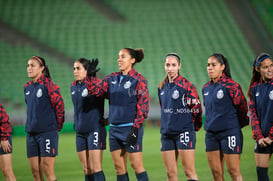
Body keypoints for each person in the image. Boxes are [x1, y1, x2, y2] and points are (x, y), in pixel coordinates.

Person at [85, 48, 149, 181]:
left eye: (123, 57)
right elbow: (96, 92)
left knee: (136, 166)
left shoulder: (138, 80)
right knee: (119, 169)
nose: (119, 59)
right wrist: (90, 77)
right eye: (118, 56)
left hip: (131, 128)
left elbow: (143, 107)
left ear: (132, 60)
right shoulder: (111, 78)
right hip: (114, 130)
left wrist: (135, 129)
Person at [202, 53, 249, 181]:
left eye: (213, 65)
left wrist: (233, 126)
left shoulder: (232, 86)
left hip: (230, 133)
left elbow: (243, 109)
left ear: (222, 67)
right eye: (208, 65)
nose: (210, 68)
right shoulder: (205, 88)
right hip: (211, 135)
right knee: (216, 174)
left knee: (233, 171)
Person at [158, 53, 202, 181]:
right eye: (167, 65)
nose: (170, 68)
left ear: (179, 66)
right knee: (170, 174)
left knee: (189, 172)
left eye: (173, 65)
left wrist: (192, 127)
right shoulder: (161, 87)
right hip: (166, 134)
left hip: (184, 132)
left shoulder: (187, 86)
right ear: (164, 66)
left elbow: (197, 109)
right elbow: (164, 108)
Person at [24, 56, 65, 181]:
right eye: (28, 65)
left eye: (32, 65)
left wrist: (55, 128)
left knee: (47, 169)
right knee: (35, 172)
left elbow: (60, 107)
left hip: (47, 133)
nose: (29, 68)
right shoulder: (27, 87)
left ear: (42, 68)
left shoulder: (49, 85)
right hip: (31, 134)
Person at [71, 58, 106, 181]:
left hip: (94, 130)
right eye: (74, 68)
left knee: (96, 168)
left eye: (78, 68)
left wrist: (110, 118)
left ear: (87, 70)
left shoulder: (97, 84)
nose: (75, 71)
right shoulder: (73, 86)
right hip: (80, 132)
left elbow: (114, 99)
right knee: (86, 169)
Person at [247, 53, 273, 181]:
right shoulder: (254, 88)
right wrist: (259, 137)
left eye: (271, 66)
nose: (270, 69)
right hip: (263, 140)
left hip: (271, 137)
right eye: (265, 67)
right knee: (262, 176)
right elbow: (253, 115)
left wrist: (271, 137)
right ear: (258, 69)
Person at [0, 102, 17, 181]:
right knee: (3, 170)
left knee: (7, 170)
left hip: (3, 137)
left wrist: (4, 138)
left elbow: (4, 118)